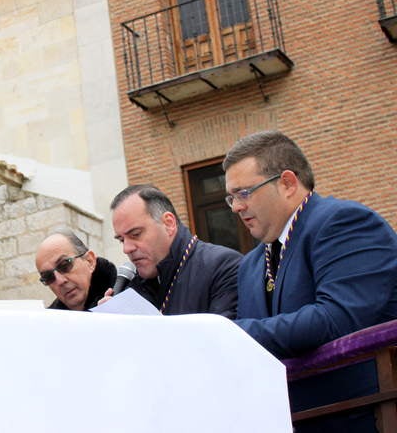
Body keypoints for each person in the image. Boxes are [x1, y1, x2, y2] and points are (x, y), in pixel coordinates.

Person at [224, 130, 397, 432]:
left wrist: (226, 332)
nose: (237, 206)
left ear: (287, 183)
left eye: (245, 192)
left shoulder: (344, 222)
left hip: (364, 416)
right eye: (231, 197)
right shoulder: (250, 264)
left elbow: (336, 318)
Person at [107, 185, 241, 317]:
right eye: (121, 240)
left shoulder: (223, 267)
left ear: (168, 224)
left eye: (135, 234)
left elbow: (222, 336)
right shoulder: (133, 287)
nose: (127, 248)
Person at [35, 229, 116, 311]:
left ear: (89, 261)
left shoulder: (124, 298)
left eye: (64, 265)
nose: (60, 281)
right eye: (48, 277)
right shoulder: (50, 321)